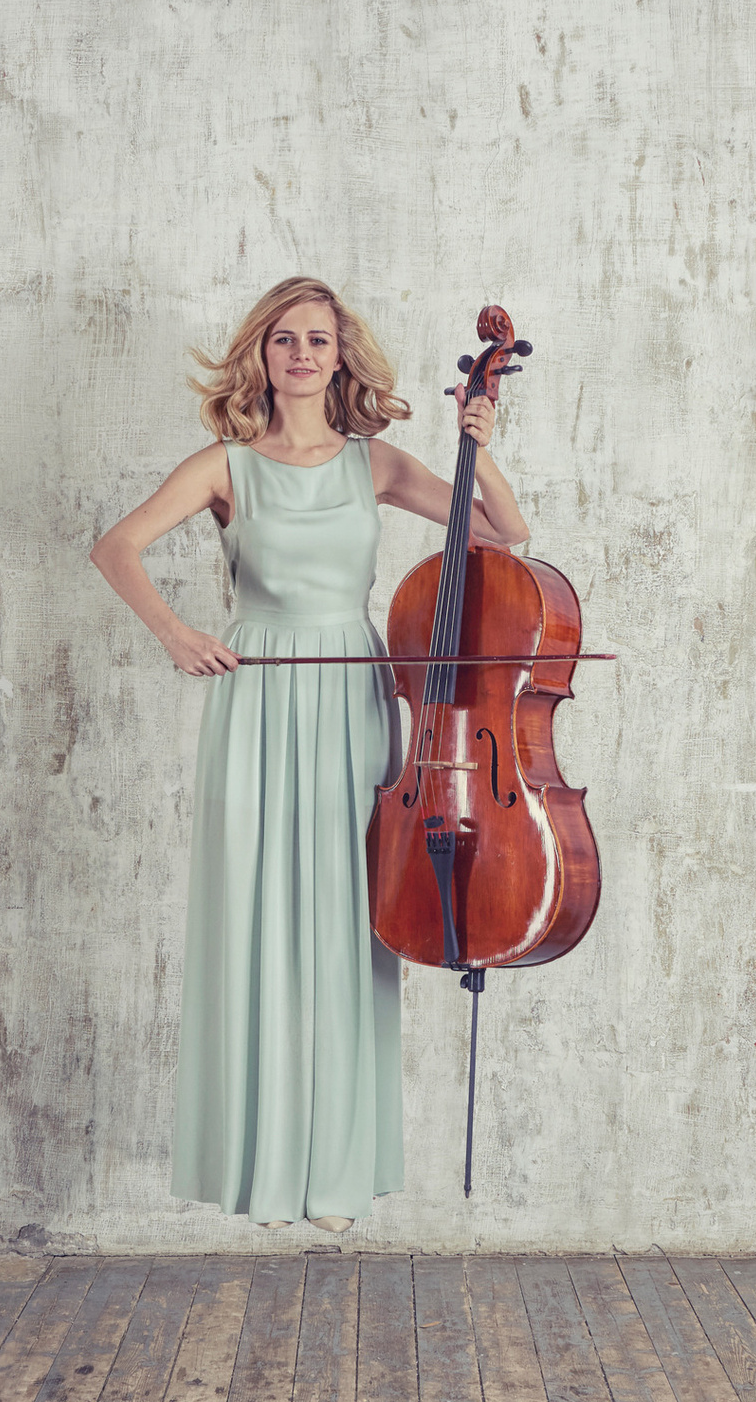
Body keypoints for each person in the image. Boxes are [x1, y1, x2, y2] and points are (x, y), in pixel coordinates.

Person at [89, 277, 529, 1233]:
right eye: (285, 339)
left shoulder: (373, 465)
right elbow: (116, 546)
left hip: (352, 696)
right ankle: (266, 1170)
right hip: (256, 699)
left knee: (344, 921)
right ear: (263, 354)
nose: (301, 354)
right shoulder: (224, 466)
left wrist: (480, 450)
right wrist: (174, 633)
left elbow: (502, 533)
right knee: (258, 914)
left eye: (318, 340)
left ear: (340, 355)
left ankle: (334, 1176)